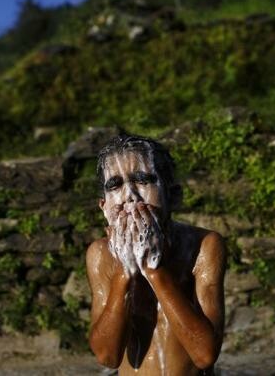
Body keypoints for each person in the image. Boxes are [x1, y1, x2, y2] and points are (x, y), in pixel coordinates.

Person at [86, 134, 226, 375]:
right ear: (104, 206)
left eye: (142, 180)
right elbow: (107, 356)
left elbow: (205, 355)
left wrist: (153, 268)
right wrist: (124, 272)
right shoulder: (101, 254)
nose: (129, 195)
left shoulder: (202, 246)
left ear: (173, 195)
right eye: (115, 185)